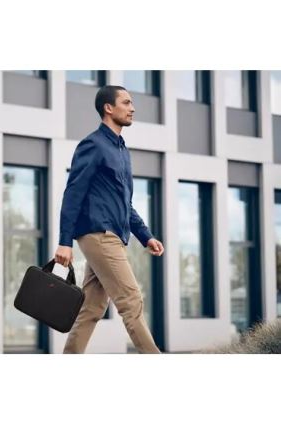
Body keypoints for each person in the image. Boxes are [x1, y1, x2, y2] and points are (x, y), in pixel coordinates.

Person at [55, 85, 164, 354]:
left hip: (113, 235)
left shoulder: (122, 150)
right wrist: (64, 241)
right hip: (99, 235)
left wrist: (146, 236)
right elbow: (73, 193)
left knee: (92, 308)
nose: (132, 108)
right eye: (126, 103)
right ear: (108, 108)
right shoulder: (93, 144)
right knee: (131, 300)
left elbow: (125, 203)